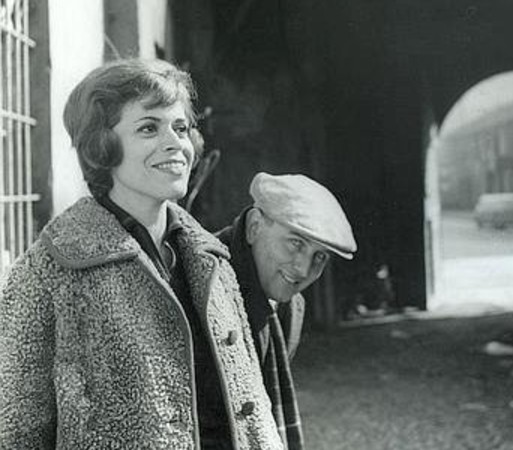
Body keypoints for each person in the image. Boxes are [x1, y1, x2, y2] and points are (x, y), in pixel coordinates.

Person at [0, 59, 282, 450]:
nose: (176, 144)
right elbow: (16, 432)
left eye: (180, 127)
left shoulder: (213, 260)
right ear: (102, 145)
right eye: (149, 127)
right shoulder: (48, 271)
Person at [216, 172, 357, 449]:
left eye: (319, 257)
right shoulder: (203, 283)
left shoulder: (291, 307)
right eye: (295, 243)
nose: (303, 270)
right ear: (254, 226)